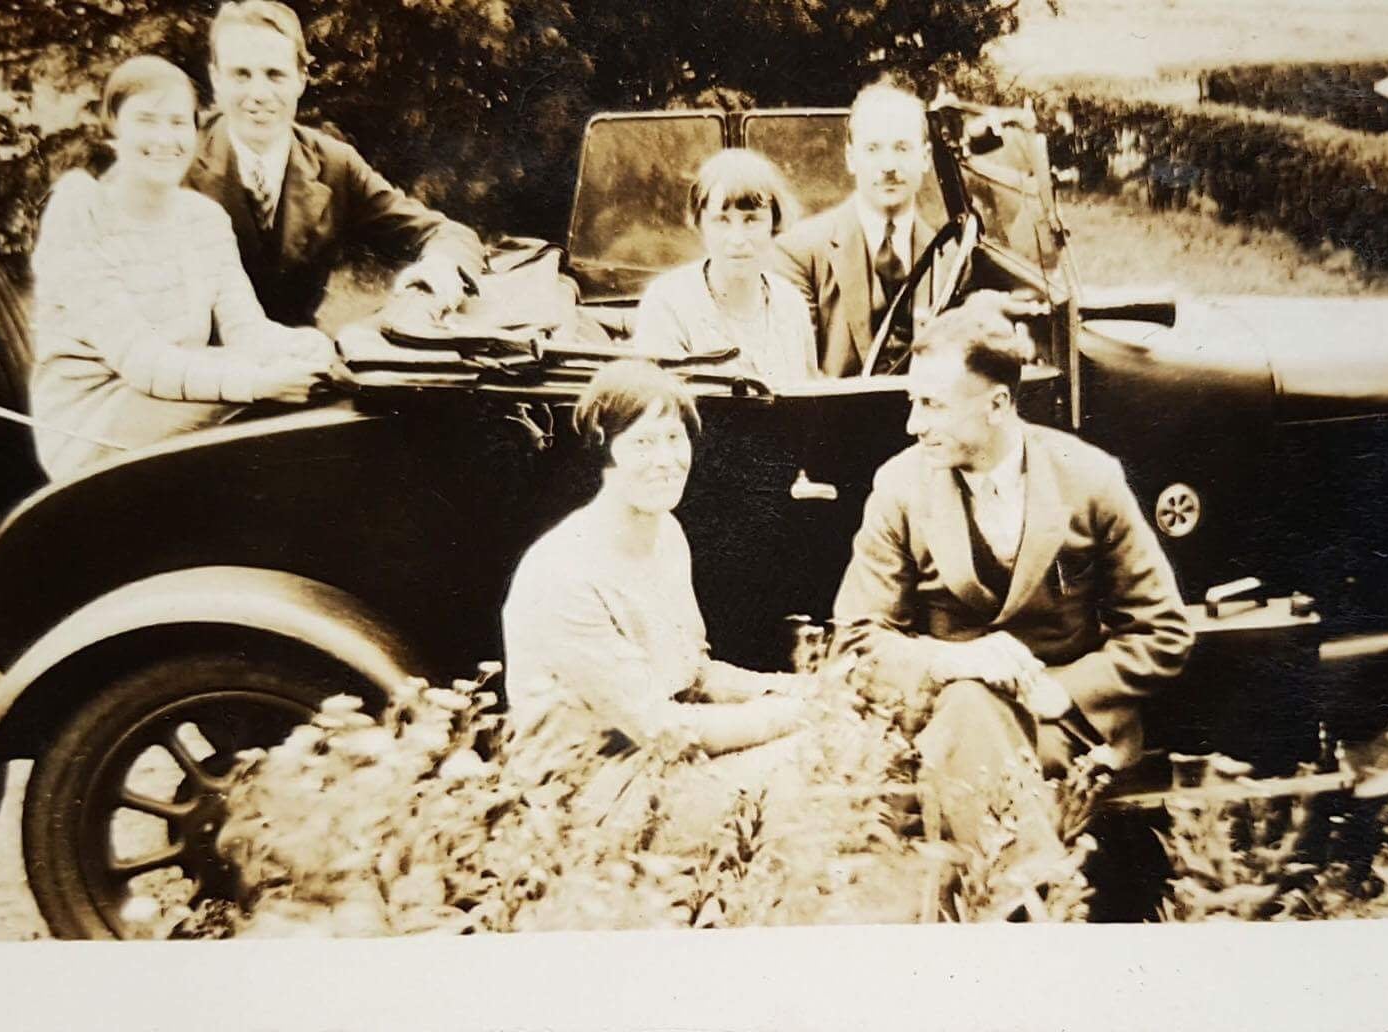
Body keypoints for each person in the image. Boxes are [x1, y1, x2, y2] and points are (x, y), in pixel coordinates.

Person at [830, 299, 1193, 881]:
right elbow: (855, 642)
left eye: (932, 405)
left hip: (1063, 727)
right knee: (969, 703)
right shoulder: (900, 486)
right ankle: (1036, 895)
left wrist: (1060, 689)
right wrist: (955, 660)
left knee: (965, 751)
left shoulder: (1088, 478)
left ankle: (1019, 897)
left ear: (997, 405)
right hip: (947, 714)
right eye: (912, 402)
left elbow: (1164, 633)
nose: (912, 424)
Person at [501, 361, 810, 830]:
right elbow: (663, 730)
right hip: (586, 792)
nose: (665, 460)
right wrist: (788, 714)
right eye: (643, 442)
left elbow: (693, 674)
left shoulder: (665, 532)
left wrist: (793, 688)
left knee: (836, 742)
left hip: (655, 759)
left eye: (674, 437)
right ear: (605, 451)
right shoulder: (564, 572)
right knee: (805, 765)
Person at [27, 55, 334, 479]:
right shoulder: (82, 210)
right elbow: (140, 360)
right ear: (113, 126)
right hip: (91, 424)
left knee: (318, 389)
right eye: (147, 121)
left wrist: (310, 349)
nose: (165, 138)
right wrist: (262, 382)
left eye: (178, 122)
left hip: (170, 394)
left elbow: (247, 330)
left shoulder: (202, 218)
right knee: (266, 406)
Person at [185, 0, 486, 327]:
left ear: (301, 79)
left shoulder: (333, 164)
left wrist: (439, 267)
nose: (258, 93)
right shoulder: (175, 157)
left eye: (275, 75)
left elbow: (446, 233)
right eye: (241, 74)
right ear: (216, 78)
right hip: (192, 362)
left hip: (301, 361)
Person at [772, 78, 953, 378]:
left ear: (925, 158)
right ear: (851, 158)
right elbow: (797, 372)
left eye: (902, 148)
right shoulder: (800, 252)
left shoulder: (951, 257)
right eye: (873, 148)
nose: (889, 165)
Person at [630, 149, 818, 384]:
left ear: (774, 222)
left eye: (751, 220)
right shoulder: (667, 303)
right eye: (722, 220)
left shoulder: (791, 305)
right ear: (700, 223)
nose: (737, 239)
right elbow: (658, 408)